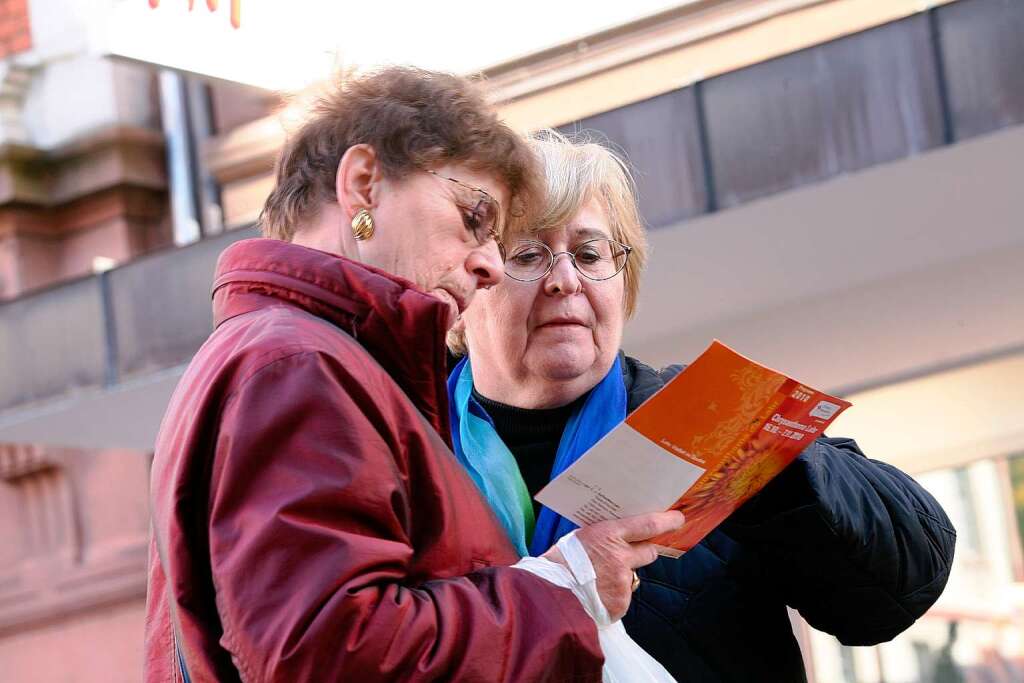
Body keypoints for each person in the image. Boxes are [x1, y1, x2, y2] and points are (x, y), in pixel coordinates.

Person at [143, 69, 684, 682]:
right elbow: (325, 652)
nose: (488, 265)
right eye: (474, 218)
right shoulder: (300, 366)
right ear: (363, 185)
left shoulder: (293, 356)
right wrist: (564, 590)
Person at [450, 130, 958, 682]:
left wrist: (770, 461)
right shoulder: (403, 442)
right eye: (527, 254)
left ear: (625, 282)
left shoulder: (700, 417)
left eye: (590, 252)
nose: (566, 280)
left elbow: (894, 594)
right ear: (465, 287)